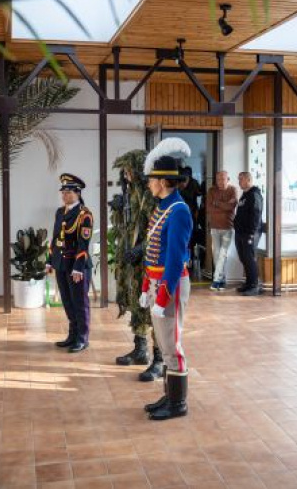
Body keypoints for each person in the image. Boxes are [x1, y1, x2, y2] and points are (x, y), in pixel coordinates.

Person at [140, 138, 193, 421]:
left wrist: (162, 296)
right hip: (157, 283)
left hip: (169, 286)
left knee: (173, 345)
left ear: (162, 182)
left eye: (152, 180)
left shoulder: (179, 210)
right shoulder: (163, 207)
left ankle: (178, 403)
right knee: (163, 343)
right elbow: (152, 252)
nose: (149, 184)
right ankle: (169, 395)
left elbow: (173, 260)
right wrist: (145, 286)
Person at [109, 151, 164, 381]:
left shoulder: (150, 196)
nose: (126, 175)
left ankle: (159, 359)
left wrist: (141, 249)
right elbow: (125, 227)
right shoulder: (130, 193)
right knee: (136, 304)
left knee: (155, 311)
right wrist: (117, 209)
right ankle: (140, 350)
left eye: (129, 170)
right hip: (131, 261)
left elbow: (157, 229)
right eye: (124, 171)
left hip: (150, 262)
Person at [46, 173, 93, 353]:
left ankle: (82, 338)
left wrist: (78, 268)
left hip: (76, 266)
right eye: (63, 192)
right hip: (61, 264)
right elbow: (55, 238)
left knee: (79, 302)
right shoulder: (60, 212)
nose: (64, 195)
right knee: (67, 301)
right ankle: (72, 335)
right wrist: (50, 260)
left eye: (68, 192)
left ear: (78, 193)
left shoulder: (84, 215)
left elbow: (83, 243)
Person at [206, 170, 238, 291]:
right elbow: (209, 209)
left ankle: (216, 280)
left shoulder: (233, 190)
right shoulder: (211, 190)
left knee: (222, 254)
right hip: (214, 227)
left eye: (222, 179)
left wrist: (216, 203)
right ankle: (221, 279)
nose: (220, 182)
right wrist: (224, 205)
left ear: (228, 179)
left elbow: (231, 207)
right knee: (216, 254)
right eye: (218, 179)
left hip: (228, 227)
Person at [234, 172, 264, 296]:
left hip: (250, 233)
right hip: (241, 232)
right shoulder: (244, 195)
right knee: (244, 258)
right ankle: (249, 283)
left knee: (249, 259)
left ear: (248, 180)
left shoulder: (254, 195)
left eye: (241, 179)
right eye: (238, 179)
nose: (239, 182)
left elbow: (256, 214)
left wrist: (251, 233)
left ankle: (254, 286)